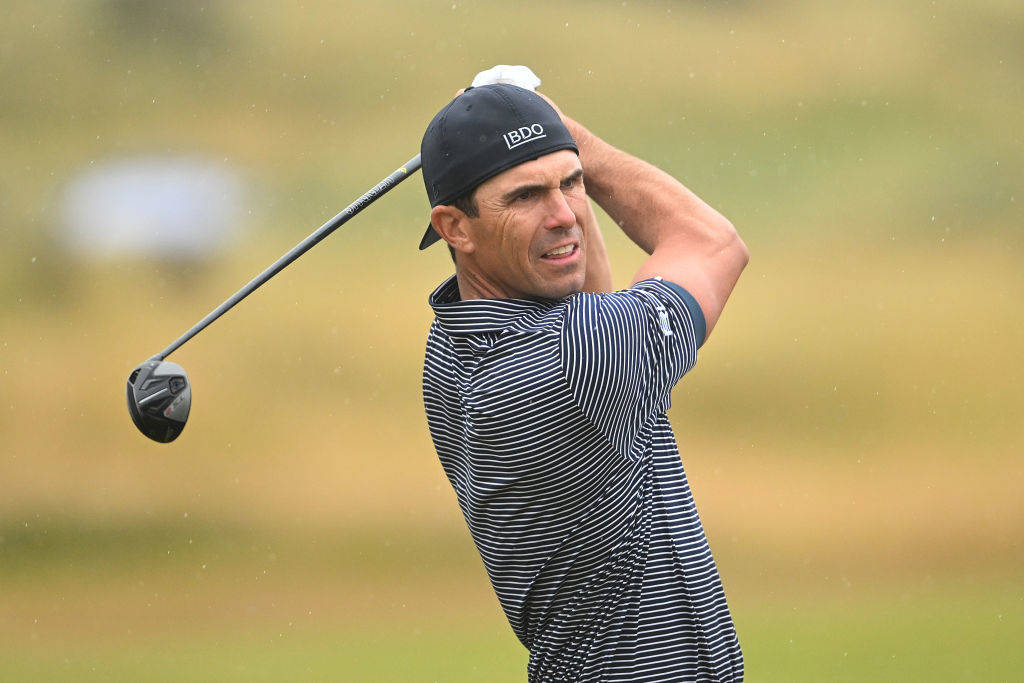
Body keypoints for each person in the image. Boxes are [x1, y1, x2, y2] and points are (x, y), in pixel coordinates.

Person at [418, 83, 748, 682]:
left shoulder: (452, 349)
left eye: (570, 183)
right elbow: (712, 243)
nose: (566, 213)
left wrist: (539, 136)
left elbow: (586, 303)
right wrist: (576, 139)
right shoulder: (576, 355)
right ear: (454, 227)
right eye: (525, 195)